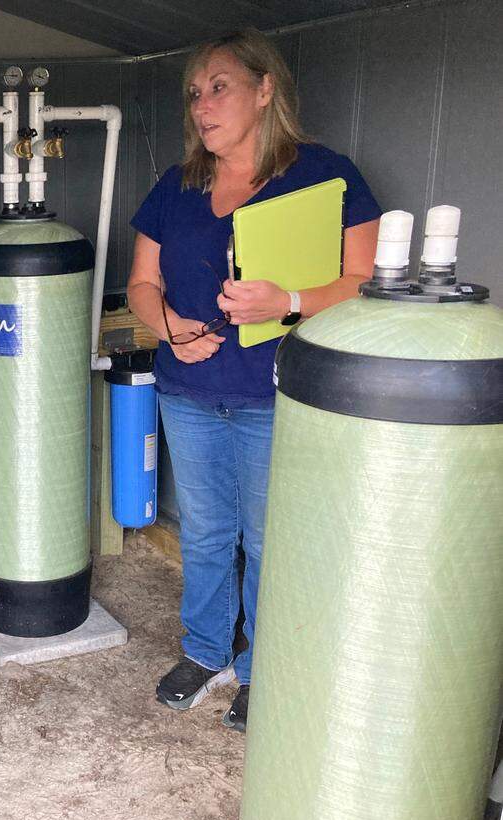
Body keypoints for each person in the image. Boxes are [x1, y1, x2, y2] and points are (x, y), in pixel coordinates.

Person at [125, 28, 381, 731]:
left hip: (278, 395)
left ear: (266, 89)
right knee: (206, 534)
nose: (202, 107)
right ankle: (207, 651)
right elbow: (141, 283)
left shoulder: (326, 176)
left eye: (219, 88)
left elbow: (365, 281)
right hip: (189, 392)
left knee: (271, 539)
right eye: (194, 94)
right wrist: (169, 324)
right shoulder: (177, 185)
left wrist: (288, 302)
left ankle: (264, 669)